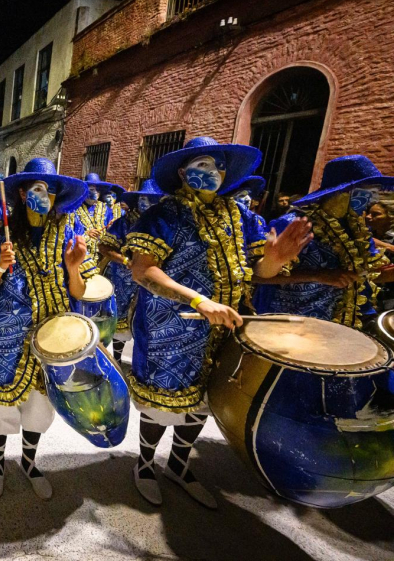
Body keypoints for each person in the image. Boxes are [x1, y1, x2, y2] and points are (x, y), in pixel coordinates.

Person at [124, 137, 311, 509]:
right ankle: (144, 464)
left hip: (224, 329)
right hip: (171, 329)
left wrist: (274, 259)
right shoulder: (164, 215)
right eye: (204, 165)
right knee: (162, 405)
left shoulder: (241, 217)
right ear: (183, 172)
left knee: (203, 404)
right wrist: (197, 299)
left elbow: (260, 269)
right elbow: (143, 270)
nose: (213, 173)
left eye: (219, 167)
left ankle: (179, 465)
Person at [0, 157, 93, 501]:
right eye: (37, 189)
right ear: (22, 194)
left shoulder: (70, 232)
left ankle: (28, 461)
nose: (44, 195)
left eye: (50, 189)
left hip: (52, 337)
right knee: (0, 408)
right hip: (5, 337)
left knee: (40, 407)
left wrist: (73, 268)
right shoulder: (1, 234)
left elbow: (80, 292)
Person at [254, 155, 394, 330]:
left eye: (375, 191)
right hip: (286, 326)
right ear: (341, 192)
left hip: (334, 328)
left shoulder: (358, 230)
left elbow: (368, 274)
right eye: (368, 190)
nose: (373, 198)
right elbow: (257, 276)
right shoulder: (294, 224)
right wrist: (318, 275)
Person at [98, 179, 163, 359]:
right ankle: (113, 359)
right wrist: (126, 260)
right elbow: (104, 247)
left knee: (145, 326)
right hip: (123, 281)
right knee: (118, 323)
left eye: (151, 199)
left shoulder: (164, 224)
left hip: (152, 283)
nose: (146, 203)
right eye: (143, 198)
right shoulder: (124, 223)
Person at [72, 173, 119, 268]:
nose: (95, 192)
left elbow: (111, 229)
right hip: (81, 256)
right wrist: (86, 234)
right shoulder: (74, 208)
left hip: (102, 257)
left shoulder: (105, 208)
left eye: (97, 189)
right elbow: (68, 230)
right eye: (91, 189)